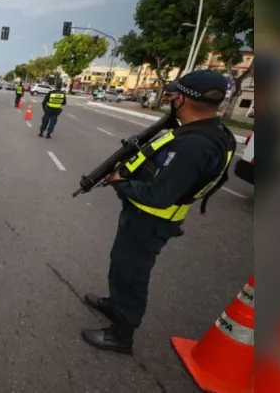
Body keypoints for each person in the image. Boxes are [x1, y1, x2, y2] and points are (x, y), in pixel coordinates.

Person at [81, 70, 237, 354]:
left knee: (131, 274)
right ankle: (114, 305)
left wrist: (120, 182)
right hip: (144, 218)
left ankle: (121, 334)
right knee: (121, 266)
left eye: (172, 95)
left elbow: (159, 196)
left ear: (181, 99)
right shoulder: (206, 131)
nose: (169, 99)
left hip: (150, 221)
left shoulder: (197, 144)